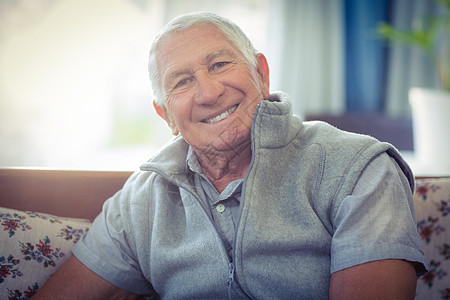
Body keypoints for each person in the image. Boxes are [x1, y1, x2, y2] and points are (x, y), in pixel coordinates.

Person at [35, 12, 427, 299]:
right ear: (165, 115)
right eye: (182, 81)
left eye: (220, 64)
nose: (207, 92)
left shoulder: (360, 169)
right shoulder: (140, 199)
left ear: (261, 72)